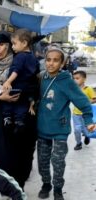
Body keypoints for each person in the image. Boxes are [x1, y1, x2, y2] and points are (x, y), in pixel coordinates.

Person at [0, 31, 37, 189]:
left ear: (10, 46)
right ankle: (9, 186)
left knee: (23, 153)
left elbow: (33, 84)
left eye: (2, 45)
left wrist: (20, 95)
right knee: (3, 154)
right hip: (0, 117)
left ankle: (20, 185)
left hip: (22, 115)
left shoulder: (20, 61)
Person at [37, 47, 96, 200]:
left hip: (60, 129)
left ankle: (57, 188)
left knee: (58, 161)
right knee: (42, 161)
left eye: (56, 60)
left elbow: (82, 101)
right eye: (48, 60)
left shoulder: (66, 81)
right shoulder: (40, 77)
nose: (51, 63)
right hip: (42, 128)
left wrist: (89, 120)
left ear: (62, 63)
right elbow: (30, 94)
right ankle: (46, 184)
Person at [2, 29, 40, 131]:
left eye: (14, 43)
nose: (12, 46)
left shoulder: (20, 56)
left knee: (9, 101)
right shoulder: (33, 57)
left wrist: (8, 81)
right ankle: (19, 121)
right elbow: (37, 74)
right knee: (22, 104)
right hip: (28, 89)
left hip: (17, 86)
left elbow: (16, 70)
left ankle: (7, 118)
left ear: (24, 43)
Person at [72, 70, 96, 150]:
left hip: (86, 115)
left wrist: (86, 102)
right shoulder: (74, 89)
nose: (75, 80)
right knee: (77, 130)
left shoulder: (88, 89)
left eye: (77, 78)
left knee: (88, 132)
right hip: (76, 114)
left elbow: (94, 99)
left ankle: (86, 135)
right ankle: (78, 143)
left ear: (84, 79)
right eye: (74, 78)